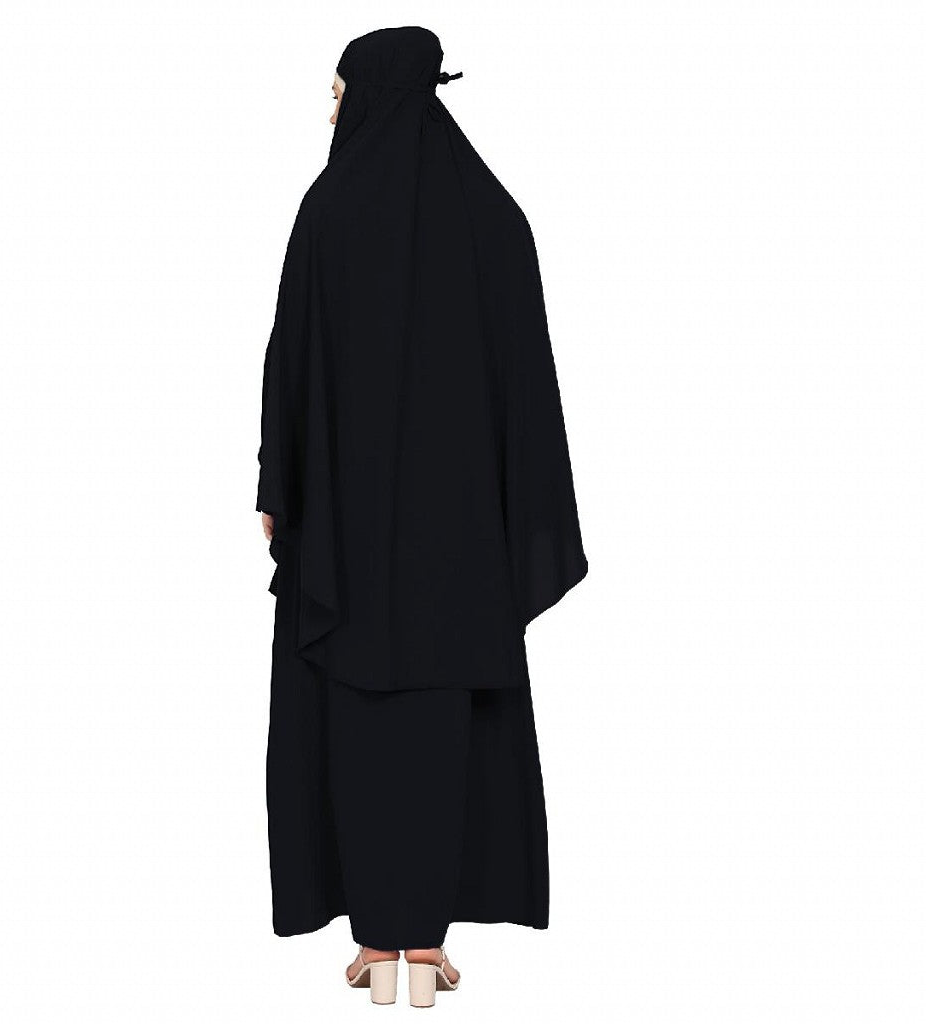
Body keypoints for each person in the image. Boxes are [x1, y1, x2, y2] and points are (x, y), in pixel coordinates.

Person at [256, 26, 587, 1007]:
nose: (331, 113)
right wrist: (517, 514)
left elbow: (290, 364)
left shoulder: (328, 209)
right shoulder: (490, 215)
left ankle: (375, 940)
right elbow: (525, 381)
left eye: (337, 93)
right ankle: (426, 946)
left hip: (344, 537)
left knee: (353, 723)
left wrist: (279, 487)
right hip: (459, 540)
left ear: (371, 93)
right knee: (443, 726)